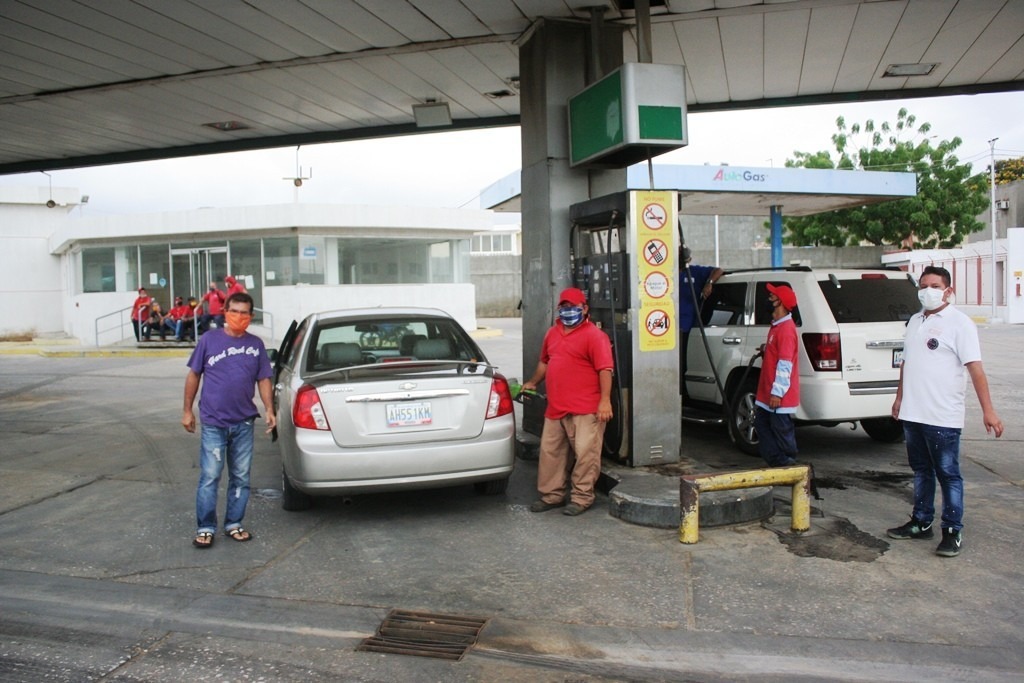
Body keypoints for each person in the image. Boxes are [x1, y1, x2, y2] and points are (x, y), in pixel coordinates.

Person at [887, 265, 1003, 558]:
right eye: (923, 285)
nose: (927, 290)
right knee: (921, 471)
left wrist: (988, 411)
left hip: (942, 416)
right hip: (914, 413)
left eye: (935, 286)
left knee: (948, 474)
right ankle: (921, 521)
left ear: (948, 290)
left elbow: (975, 368)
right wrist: (900, 398)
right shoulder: (914, 321)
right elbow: (906, 363)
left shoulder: (959, 323)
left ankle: (952, 530)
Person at [182, 292, 276, 548]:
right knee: (211, 476)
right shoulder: (209, 340)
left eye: (244, 313)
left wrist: (269, 408)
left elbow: (264, 379)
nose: (239, 317)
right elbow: (194, 376)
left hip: (244, 422)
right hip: (213, 422)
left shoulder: (255, 345)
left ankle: (234, 524)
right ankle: (205, 527)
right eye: (234, 311)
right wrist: (187, 410)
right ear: (225, 312)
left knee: (241, 477)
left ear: (251, 316)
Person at [522, 287, 614, 516]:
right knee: (551, 453)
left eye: (573, 307)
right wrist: (533, 382)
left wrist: (605, 402)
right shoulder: (552, 333)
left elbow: (605, 369)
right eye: (564, 307)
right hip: (556, 407)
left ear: (584, 309)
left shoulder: (595, 336)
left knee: (586, 454)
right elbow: (545, 362)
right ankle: (552, 495)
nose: (568, 311)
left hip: (586, 409)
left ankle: (581, 498)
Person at [753, 283, 800, 467]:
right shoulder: (777, 327)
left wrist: (777, 392)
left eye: (773, 297)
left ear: (780, 302)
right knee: (762, 425)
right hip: (768, 393)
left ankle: (789, 465)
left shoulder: (786, 329)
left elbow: (785, 363)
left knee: (781, 430)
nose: (769, 299)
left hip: (777, 396)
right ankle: (778, 462)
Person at [679, 246, 724, 399]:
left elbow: (718, 270)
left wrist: (709, 283)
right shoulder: (663, 274)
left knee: (683, 363)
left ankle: (683, 396)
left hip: (687, 328)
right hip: (663, 329)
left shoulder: (695, 272)